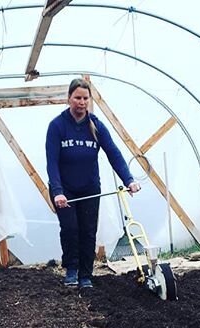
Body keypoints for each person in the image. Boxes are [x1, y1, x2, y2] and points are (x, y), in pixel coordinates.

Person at [46, 78, 141, 288]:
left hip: (89, 187)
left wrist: (129, 179)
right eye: (77, 97)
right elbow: (51, 162)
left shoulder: (96, 125)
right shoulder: (57, 126)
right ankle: (71, 269)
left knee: (88, 231)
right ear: (69, 99)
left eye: (85, 98)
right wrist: (58, 191)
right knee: (70, 229)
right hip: (65, 189)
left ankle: (86, 275)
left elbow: (113, 153)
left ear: (89, 100)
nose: (82, 102)